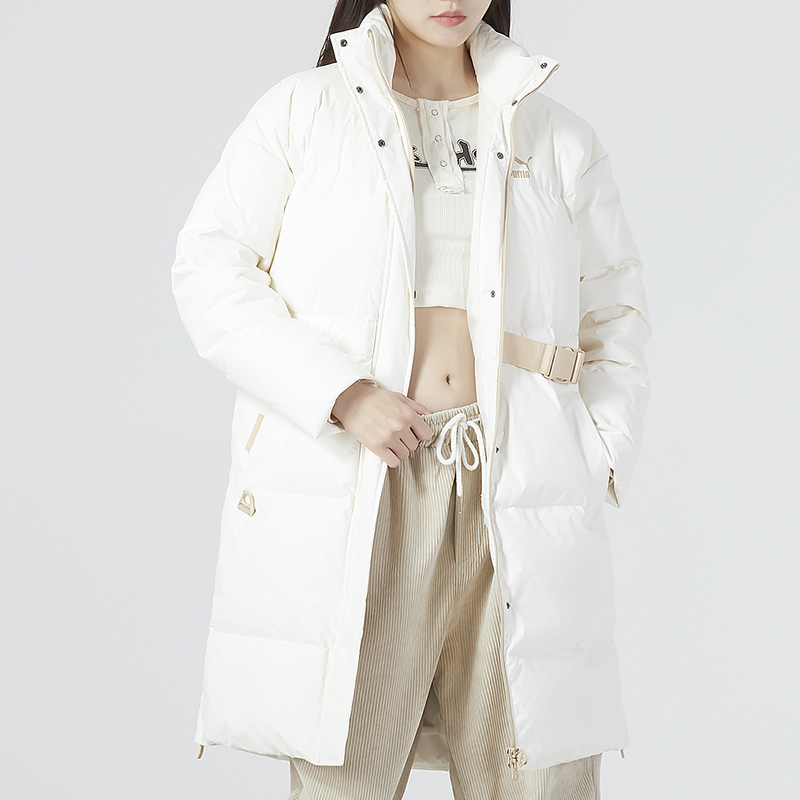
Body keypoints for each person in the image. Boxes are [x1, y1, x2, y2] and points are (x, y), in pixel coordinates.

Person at [170, 1, 652, 798]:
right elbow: (209, 271)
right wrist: (339, 393)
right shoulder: (304, 111)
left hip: (518, 485)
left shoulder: (557, 135)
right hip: (367, 477)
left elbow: (616, 313)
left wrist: (595, 455)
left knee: (537, 778)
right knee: (346, 777)